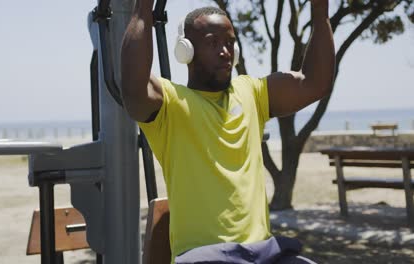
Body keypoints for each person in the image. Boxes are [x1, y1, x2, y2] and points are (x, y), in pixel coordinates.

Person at [121, 0, 334, 263]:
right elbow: (132, 86)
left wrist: (319, 12)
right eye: (213, 42)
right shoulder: (171, 103)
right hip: (203, 256)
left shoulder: (252, 93)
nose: (225, 52)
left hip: (263, 253)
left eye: (230, 43)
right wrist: (143, 7)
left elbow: (315, 83)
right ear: (185, 51)